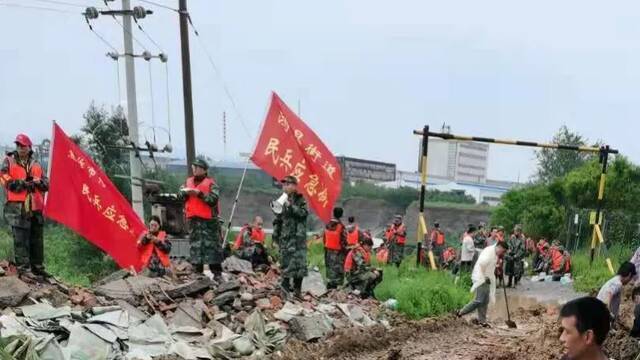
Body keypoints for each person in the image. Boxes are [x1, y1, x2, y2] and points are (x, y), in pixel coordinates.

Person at [0, 134, 49, 276]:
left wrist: (39, 183)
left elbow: (47, 184)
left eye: (23, 146)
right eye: (18, 146)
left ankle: (38, 268)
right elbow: (4, 179)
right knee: (21, 239)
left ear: (29, 147)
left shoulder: (37, 163)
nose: (21, 148)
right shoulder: (8, 161)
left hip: (35, 207)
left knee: (37, 239)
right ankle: (24, 269)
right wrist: (22, 183)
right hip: (17, 208)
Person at [178, 158, 223, 277]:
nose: (194, 170)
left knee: (211, 244)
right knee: (195, 243)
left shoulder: (211, 184)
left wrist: (200, 194)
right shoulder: (188, 182)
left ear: (203, 170)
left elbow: (213, 200)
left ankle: (216, 271)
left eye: (196, 167)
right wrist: (184, 193)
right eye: (193, 167)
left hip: (208, 220)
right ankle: (197, 269)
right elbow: (180, 195)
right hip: (194, 219)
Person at [457, 241, 509, 327]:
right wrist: (484, 277)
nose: (503, 253)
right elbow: (481, 264)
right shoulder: (489, 252)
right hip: (481, 277)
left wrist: (497, 267)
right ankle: (460, 312)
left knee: (485, 301)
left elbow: (490, 265)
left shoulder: (495, 253)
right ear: (499, 247)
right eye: (503, 251)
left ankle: (482, 321)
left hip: (487, 277)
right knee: (479, 300)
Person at [274, 176, 308, 298]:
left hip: (298, 239)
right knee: (285, 264)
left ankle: (297, 291)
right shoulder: (281, 199)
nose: (285, 187)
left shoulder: (300, 199)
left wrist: (291, 206)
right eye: (283, 185)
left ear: (294, 186)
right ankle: (285, 292)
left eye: (288, 184)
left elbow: (303, 213)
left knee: (300, 265)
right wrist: (275, 237)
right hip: (286, 238)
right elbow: (277, 219)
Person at [323, 207, 348, 289]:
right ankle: (334, 288)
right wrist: (346, 251)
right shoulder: (341, 226)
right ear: (341, 215)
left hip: (328, 251)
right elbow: (344, 240)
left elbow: (324, 238)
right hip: (338, 252)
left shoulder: (327, 224)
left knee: (330, 268)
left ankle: (329, 285)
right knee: (337, 270)